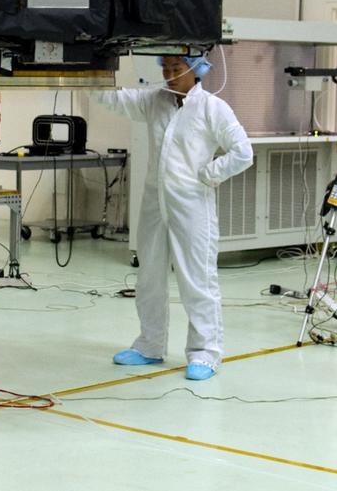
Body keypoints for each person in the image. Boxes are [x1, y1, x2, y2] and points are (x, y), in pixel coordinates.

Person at [91, 55, 252, 380]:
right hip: (155, 202)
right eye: (165, 69)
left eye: (176, 69)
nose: (169, 75)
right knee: (149, 276)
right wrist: (84, 75)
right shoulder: (155, 101)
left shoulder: (212, 107)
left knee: (197, 280)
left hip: (193, 205)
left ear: (197, 71)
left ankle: (205, 353)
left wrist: (209, 175)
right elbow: (116, 99)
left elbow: (243, 152)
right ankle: (150, 345)